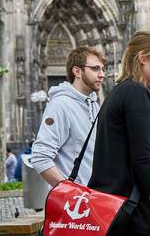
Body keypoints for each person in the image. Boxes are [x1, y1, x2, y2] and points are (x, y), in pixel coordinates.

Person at [88, 31, 150, 236]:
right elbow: (143, 160)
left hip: (114, 210)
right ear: (142, 58)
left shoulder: (120, 92)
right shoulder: (135, 93)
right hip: (130, 214)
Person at [31, 46, 105, 187]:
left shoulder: (94, 104)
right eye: (95, 69)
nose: (102, 74)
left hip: (92, 198)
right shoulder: (60, 105)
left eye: (102, 69)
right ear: (77, 71)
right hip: (71, 204)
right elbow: (40, 157)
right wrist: (70, 191)